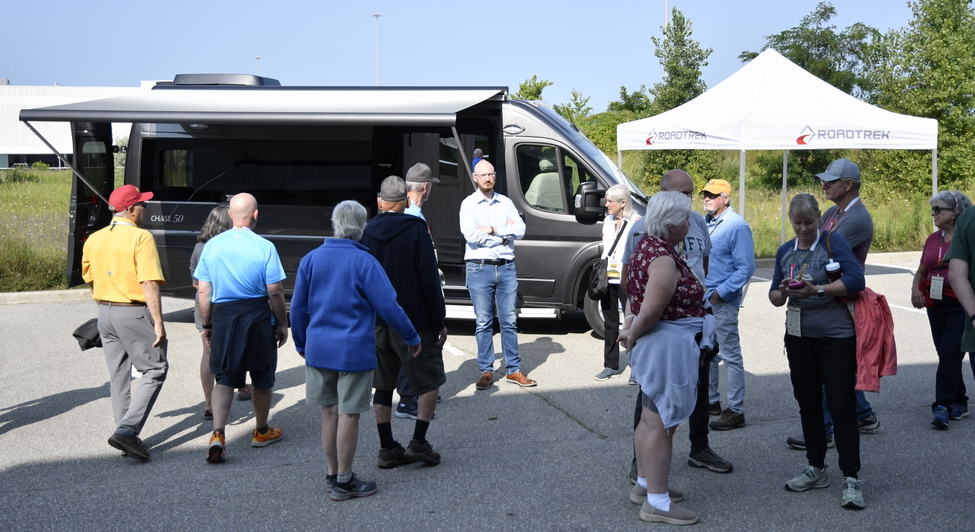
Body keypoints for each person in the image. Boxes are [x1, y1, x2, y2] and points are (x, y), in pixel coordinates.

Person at [291, 200, 421, 501]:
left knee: (328, 413)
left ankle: (332, 473)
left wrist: (301, 343)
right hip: (353, 349)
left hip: (319, 348)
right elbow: (389, 305)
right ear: (361, 227)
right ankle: (345, 481)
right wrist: (411, 336)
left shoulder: (311, 259)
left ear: (335, 223)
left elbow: (297, 308)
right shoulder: (365, 262)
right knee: (349, 414)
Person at [621, 170, 731, 478]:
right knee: (653, 402)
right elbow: (632, 280)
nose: (687, 199)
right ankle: (642, 467)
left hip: (694, 322)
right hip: (666, 330)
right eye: (680, 193)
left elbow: (702, 266)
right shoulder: (644, 230)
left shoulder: (694, 222)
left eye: (690, 193)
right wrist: (634, 324)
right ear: (663, 193)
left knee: (699, 385)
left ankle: (699, 447)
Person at [618, 191, 714, 525]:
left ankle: (645, 487)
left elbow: (633, 296)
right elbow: (651, 310)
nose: (690, 224)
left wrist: (631, 326)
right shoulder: (662, 258)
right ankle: (657, 503)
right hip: (667, 347)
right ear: (672, 225)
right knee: (662, 424)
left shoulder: (646, 245)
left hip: (657, 345)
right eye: (686, 219)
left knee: (649, 419)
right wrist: (632, 330)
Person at [769, 193, 866, 510]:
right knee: (808, 404)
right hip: (799, 337)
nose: (803, 229)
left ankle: (851, 478)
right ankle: (816, 468)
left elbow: (856, 280)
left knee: (841, 406)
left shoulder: (832, 242)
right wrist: (782, 291)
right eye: (797, 223)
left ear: (818, 220)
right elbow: (773, 296)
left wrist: (818, 289)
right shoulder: (786, 250)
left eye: (808, 222)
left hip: (836, 337)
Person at [786, 158, 879, 450]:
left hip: (839, 298)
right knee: (835, 369)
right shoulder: (832, 211)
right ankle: (862, 413)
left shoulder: (857, 218)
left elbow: (823, 256)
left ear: (848, 184)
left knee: (828, 365)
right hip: (826, 295)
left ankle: (824, 429)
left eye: (830, 180)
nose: (824, 184)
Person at [195, 193, 289, 464]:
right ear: (255, 215)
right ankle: (261, 431)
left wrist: (208, 323)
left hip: (224, 316)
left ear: (229, 216)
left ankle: (218, 434)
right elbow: (275, 292)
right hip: (257, 315)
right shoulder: (264, 246)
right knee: (262, 375)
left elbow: (204, 289)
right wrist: (282, 323)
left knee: (224, 377)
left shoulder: (212, 246)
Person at [361, 176, 448, 467]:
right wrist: (439, 321)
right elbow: (428, 279)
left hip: (377, 320)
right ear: (407, 201)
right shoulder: (416, 230)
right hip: (414, 320)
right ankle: (418, 441)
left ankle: (387, 447)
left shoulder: (367, 231)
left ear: (379, 201)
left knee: (383, 385)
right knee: (429, 380)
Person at [82, 184, 167, 461]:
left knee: (118, 375)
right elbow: (148, 282)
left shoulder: (94, 239)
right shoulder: (141, 237)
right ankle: (127, 432)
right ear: (131, 210)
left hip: (105, 311)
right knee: (155, 369)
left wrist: (104, 309)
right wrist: (158, 323)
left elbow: (90, 278)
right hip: (132, 310)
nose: (145, 209)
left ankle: (125, 434)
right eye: (142, 205)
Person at [461, 159, 535, 389]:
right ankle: (486, 371)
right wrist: (504, 236)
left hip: (506, 267)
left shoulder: (506, 203)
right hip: (478, 266)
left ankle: (514, 370)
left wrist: (493, 230)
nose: (487, 178)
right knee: (483, 322)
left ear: (495, 176)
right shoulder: (468, 204)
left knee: (510, 320)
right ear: (475, 178)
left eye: (490, 174)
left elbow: (520, 230)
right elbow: (471, 235)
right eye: (482, 175)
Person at [913, 191, 974, 428]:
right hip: (935, 305)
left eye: (938, 209)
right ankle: (960, 400)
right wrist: (915, 289)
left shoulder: (965, 237)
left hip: (959, 304)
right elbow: (921, 270)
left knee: (950, 353)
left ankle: (943, 406)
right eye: (933, 209)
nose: (933, 213)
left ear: (955, 212)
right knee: (945, 354)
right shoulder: (933, 239)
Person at [701, 179, 755, 431]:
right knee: (709, 354)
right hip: (705, 299)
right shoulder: (706, 222)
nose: (707, 198)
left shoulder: (736, 225)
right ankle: (712, 402)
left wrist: (720, 293)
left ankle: (736, 410)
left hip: (721, 300)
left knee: (730, 355)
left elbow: (746, 267)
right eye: (705, 194)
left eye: (712, 195)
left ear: (726, 198)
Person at [189, 205, 251, 420]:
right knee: (237, 347)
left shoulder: (200, 246)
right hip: (226, 303)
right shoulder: (228, 246)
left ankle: (209, 403)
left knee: (207, 353)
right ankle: (241, 388)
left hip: (202, 302)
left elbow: (196, 281)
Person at [393, 162, 442, 420]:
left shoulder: (411, 212)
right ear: (425, 187)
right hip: (414, 296)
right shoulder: (412, 216)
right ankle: (409, 399)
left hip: (408, 294)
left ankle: (422, 391)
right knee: (413, 346)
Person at [595, 185, 641, 381]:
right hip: (608, 277)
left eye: (610, 201)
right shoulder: (607, 220)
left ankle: (636, 369)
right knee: (610, 322)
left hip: (627, 278)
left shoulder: (636, 222)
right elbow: (606, 245)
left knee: (632, 323)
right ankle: (610, 365)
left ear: (623, 203)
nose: (606, 205)